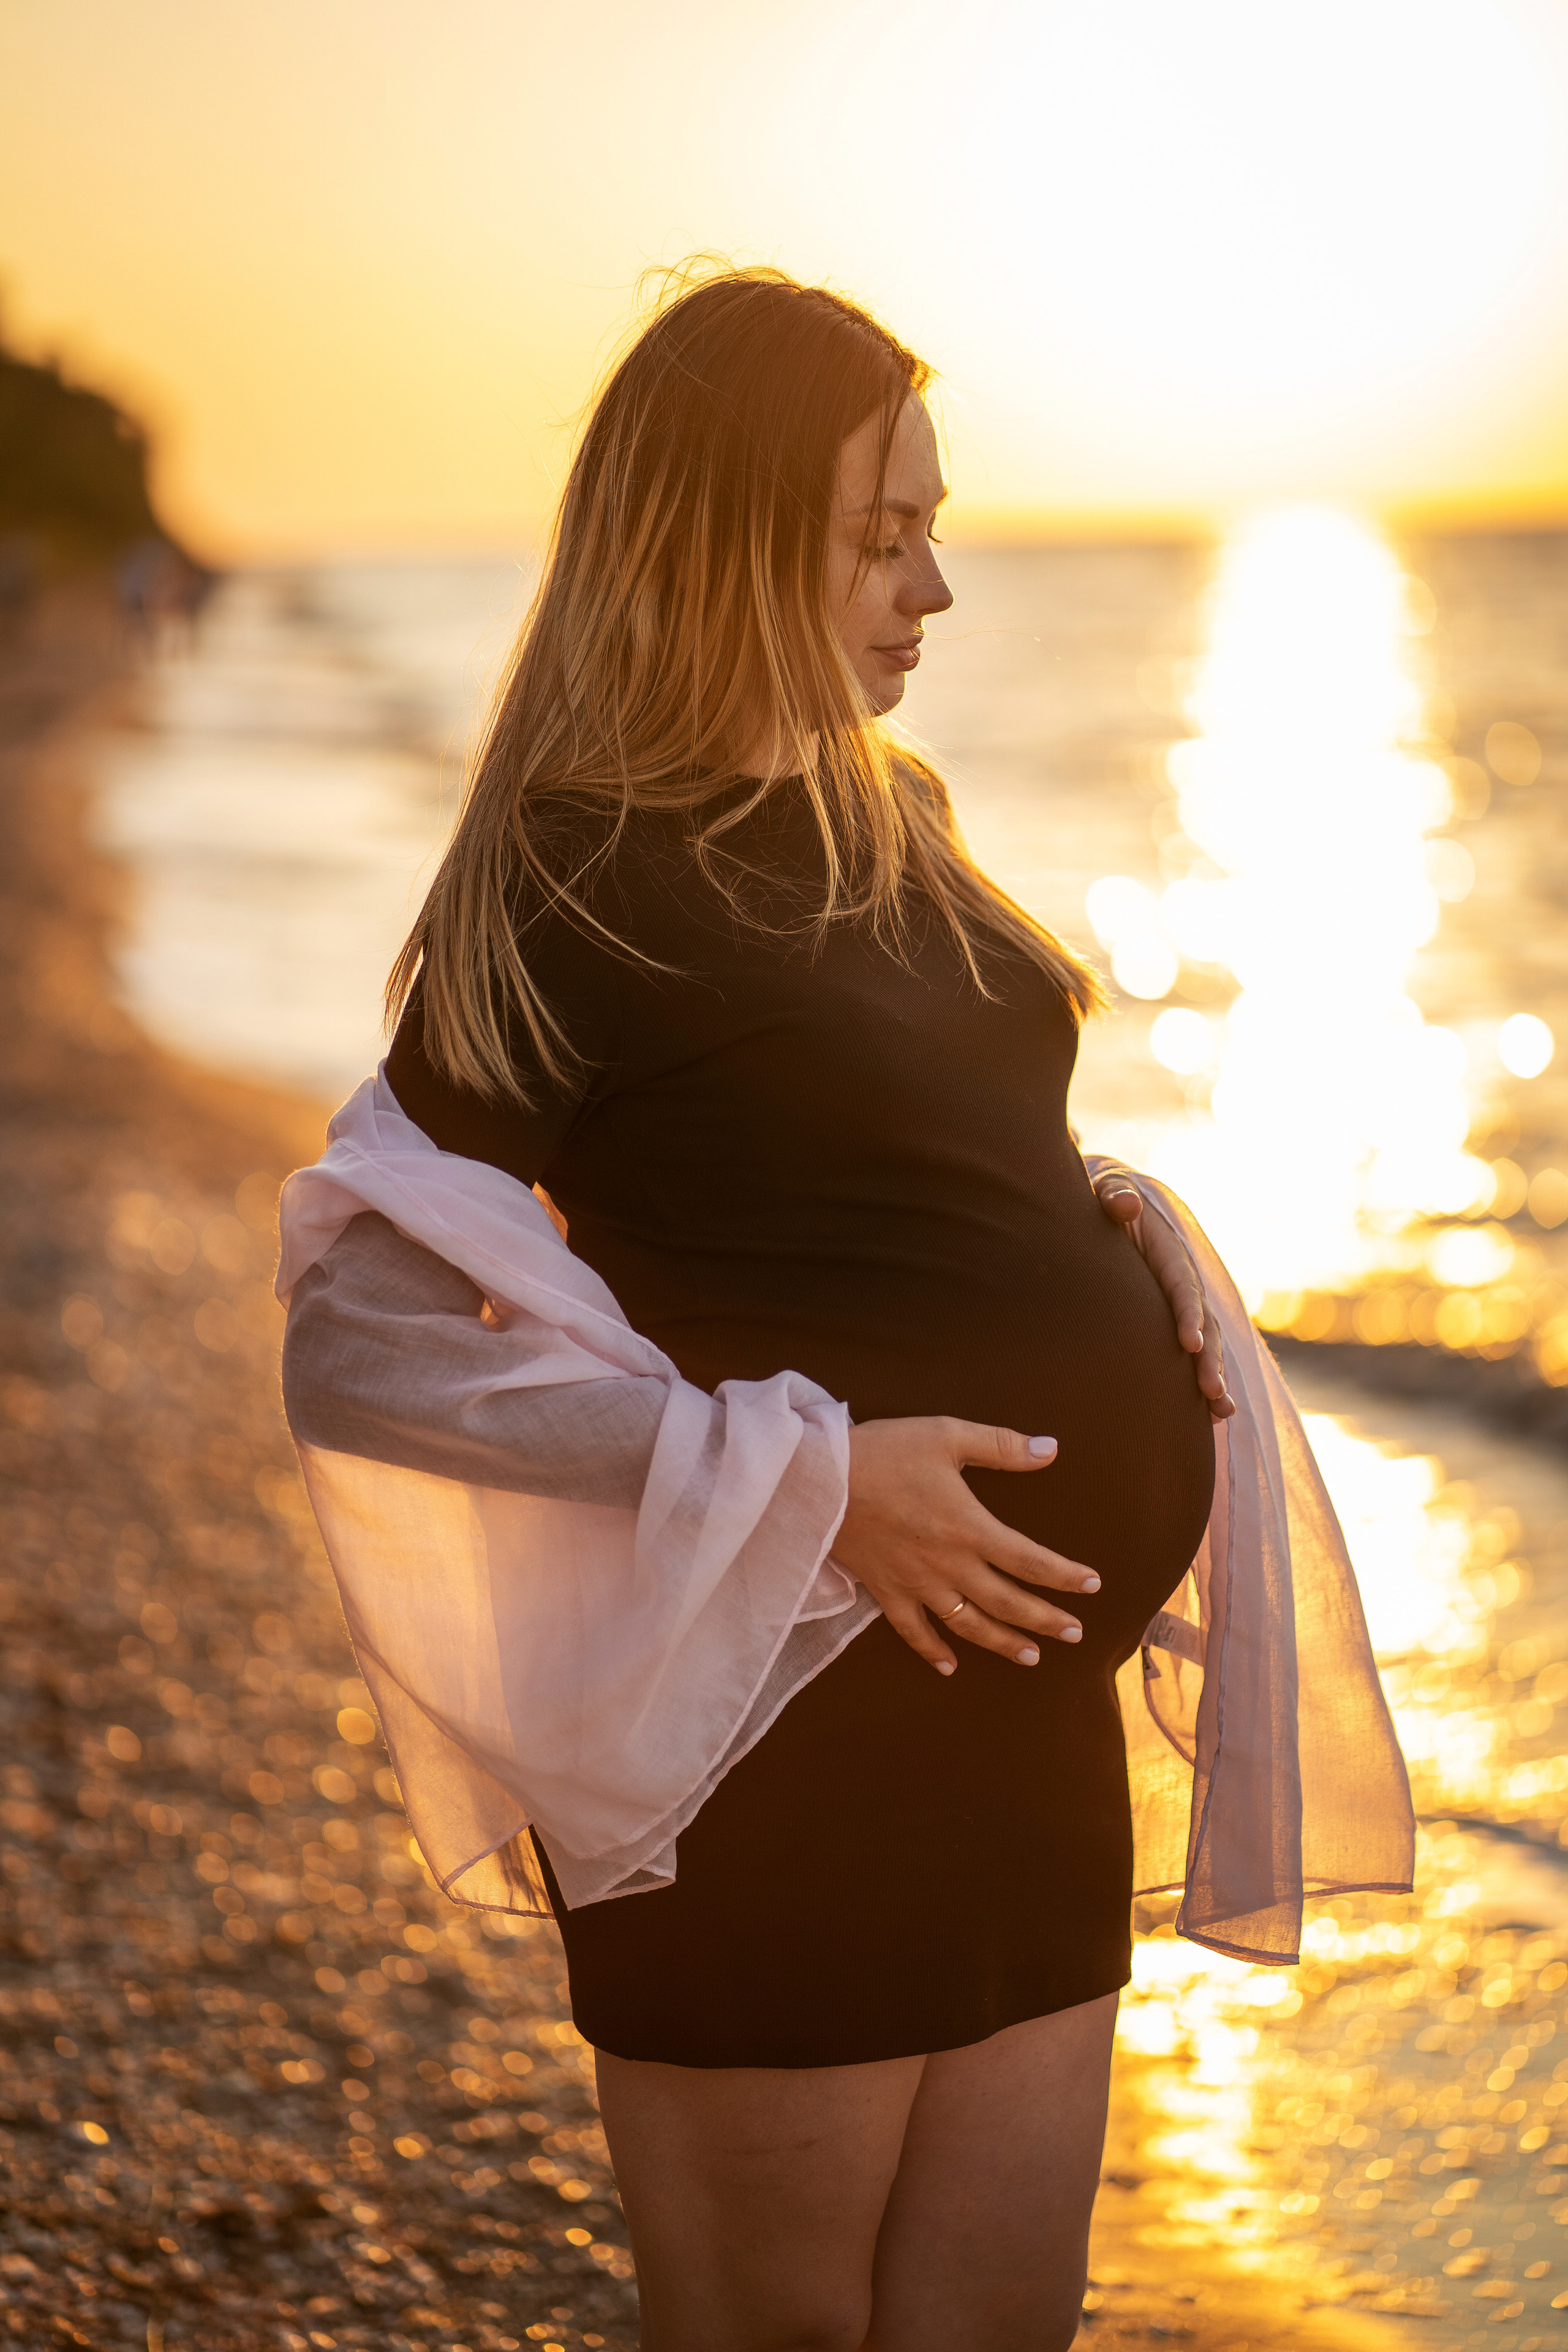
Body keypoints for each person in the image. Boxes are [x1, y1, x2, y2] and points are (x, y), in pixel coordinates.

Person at [277, 265, 1411, 2352]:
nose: (933, 590)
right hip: (783, 1749)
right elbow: (362, 1334)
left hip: (1025, 1730)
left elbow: (896, 1162)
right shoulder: (574, 878)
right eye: (880, 539)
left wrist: (1116, 1219)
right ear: (719, 545)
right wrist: (807, 1478)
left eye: (933, 529)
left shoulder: (906, 821)